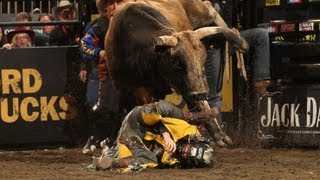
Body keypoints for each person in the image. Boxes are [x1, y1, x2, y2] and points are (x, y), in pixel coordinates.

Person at [91, 100, 218, 172]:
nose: (184, 150)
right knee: (158, 109)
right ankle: (192, 117)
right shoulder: (187, 130)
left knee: (150, 160)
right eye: (189, 148)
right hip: (137, 121)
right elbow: (159, 119)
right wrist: (167, 135)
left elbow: (148, 158)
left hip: (131, 140)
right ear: (194, 142)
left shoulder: (173, 162)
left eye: (187, 154)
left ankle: (110, 163)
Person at [205, 1, 272, 123]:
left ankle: (261, 80)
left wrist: (233, 30)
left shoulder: (228, 2)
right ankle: (213, 135)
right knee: (214, 95)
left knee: (261, 35)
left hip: (226, 41)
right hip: (211, 45)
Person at [80, 0, 122, 154]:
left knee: (118, 108)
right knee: (98, 106)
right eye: (111, 4)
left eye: (118, 3)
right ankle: (96, 137)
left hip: (124, 74)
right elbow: (85, 46)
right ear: (104, 8)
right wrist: (100, 53)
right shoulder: (99, 26)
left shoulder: (128, 23)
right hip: (104, 73)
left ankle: (110, 139)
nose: (115, 7)